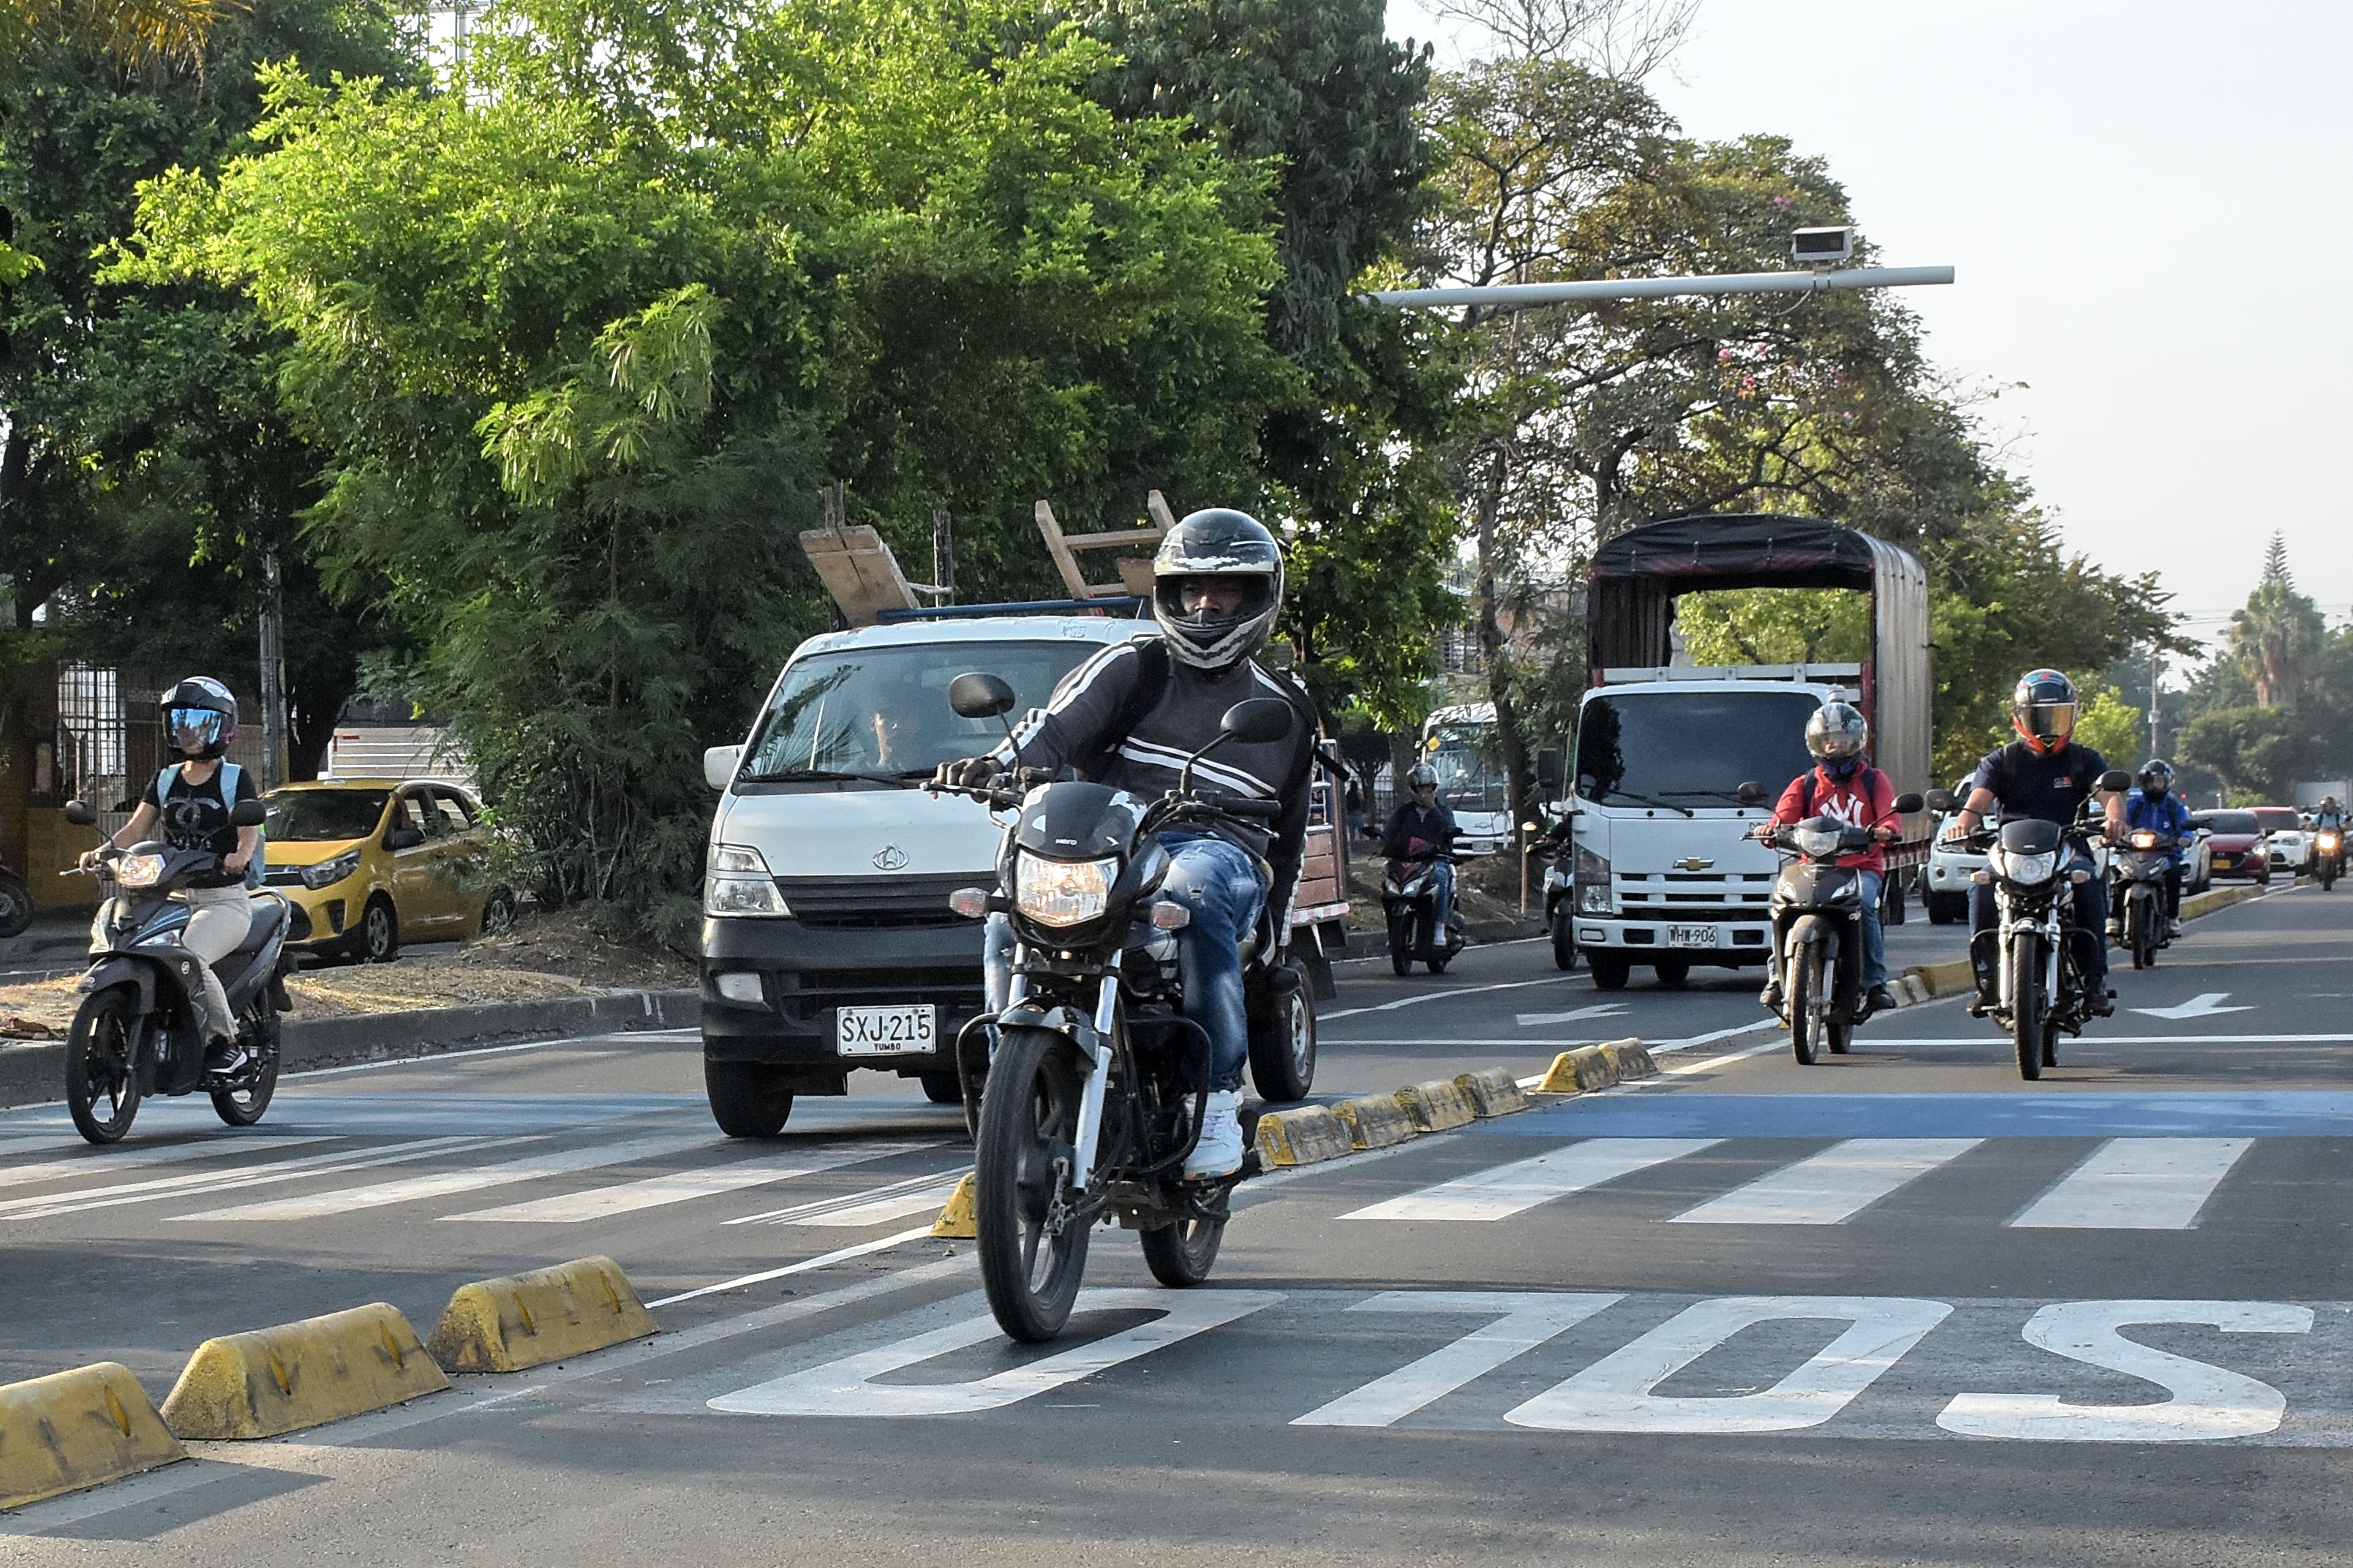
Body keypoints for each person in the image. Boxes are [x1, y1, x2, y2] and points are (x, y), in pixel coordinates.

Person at [936, 508, 1319, 1180]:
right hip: (1109, 846)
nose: (1205, 604)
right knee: (1009, 914)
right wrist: (997, 766)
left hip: (1215, 849)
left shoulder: (1283, 708)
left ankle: (1217, 1103)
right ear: (1168, 594)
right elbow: (1049, 729)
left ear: (1259, 597)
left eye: (1225, 590)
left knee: (1193, 896)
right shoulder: (1132, 665)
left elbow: (1286, 837)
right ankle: (1013, 1079)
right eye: (1191, 589)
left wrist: (1276, 929)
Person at [78, 677, 258, 1067]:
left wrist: (239, 856)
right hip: (169, 896)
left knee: (189, 957)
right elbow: (135, 831)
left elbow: (249, 832)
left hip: (222, 899)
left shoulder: (234, 778)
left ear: (222, 727)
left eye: (197, 721)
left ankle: (225, 1043)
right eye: (180, 721)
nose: (188, 730)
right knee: (129, 944)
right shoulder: (165, 778)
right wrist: (102, 851)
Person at [1941, 669, 2125, 1015]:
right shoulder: (2002, 760)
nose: (2048, 725)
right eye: (2039, 716)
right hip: (2010, 853)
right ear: (2019, 717)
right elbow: (1976, 803)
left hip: (2068, 850)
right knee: (1980, 889)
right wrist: (1962, 826)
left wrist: (2115, 819)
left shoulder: (2084, 760)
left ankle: (2095, 979)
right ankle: (1988, 979)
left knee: (2088, 888)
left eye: (2056, 715)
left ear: (2072, 715)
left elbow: (2109, 794)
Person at [1756, 701, 1902, 1017]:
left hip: (1862, 868)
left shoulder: (1874, 781)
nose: (1835, 747)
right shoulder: (1806, 783)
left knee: (1864, 905)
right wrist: (1770, 830)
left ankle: (1876, 983)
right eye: (1828, 741)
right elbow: (1782, 819)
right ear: (1816, 745)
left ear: (1857, 742)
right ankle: (1777, 979)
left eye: (1843, 740)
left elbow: (1891, 819)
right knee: (1782, 902)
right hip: (1813, 868)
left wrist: (1885, 831)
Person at [1380, 764, 1459, 946]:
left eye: (1428, 787)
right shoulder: (1404, 813)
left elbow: (1449, 829)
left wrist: (1433, 809)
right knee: (1388, 882)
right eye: (1420, 787)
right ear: (1413, 789)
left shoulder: (1444, 811)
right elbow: (1390, 833)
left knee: (1440, 876)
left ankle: (1439, 927)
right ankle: (1393, 929)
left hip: (1435, 860)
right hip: (1408, 861)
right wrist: (1381, 838)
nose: (1425, 791)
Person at [2120, 759, 2194, 938]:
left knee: (2174, 872)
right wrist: (2117, 834)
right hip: (2135, 853)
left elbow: (2185, 827)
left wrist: (2185, 838)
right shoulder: (2134, 804)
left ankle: (2172, 918)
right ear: (2143, 782)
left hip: (2165, 853)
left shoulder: (2173, 806)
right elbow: (2123, 822)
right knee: (2119, 874)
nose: (2156, 786)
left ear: (2168, 783)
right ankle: (2115, 917)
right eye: (2152, 782)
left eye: (2161, 782)